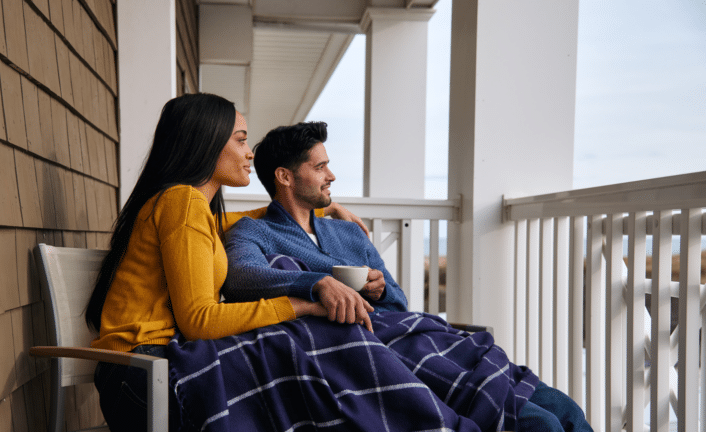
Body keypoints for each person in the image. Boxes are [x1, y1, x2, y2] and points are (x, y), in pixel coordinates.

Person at [222, 121, 593, 432]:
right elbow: (241, 276)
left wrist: (380, 290)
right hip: (368, 353)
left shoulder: (348, 233)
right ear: (285, 176)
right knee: (539, 424)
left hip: (415, 338)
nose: (331, 175)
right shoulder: (254, 232)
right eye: (319, 167)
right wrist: (317, 283)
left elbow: (399, 301)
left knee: (568, 413)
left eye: (328, 165)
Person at [84, 94, 376, 430]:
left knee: (289, 361)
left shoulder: (191, 209)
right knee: (293, 369)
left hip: (150, 367)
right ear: (206, 143)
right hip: (144, 375)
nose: (250, 152)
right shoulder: (181, 204)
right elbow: (199, 321)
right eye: (240, 140)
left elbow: (248, 219)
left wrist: (322, 209)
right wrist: (303, 304)